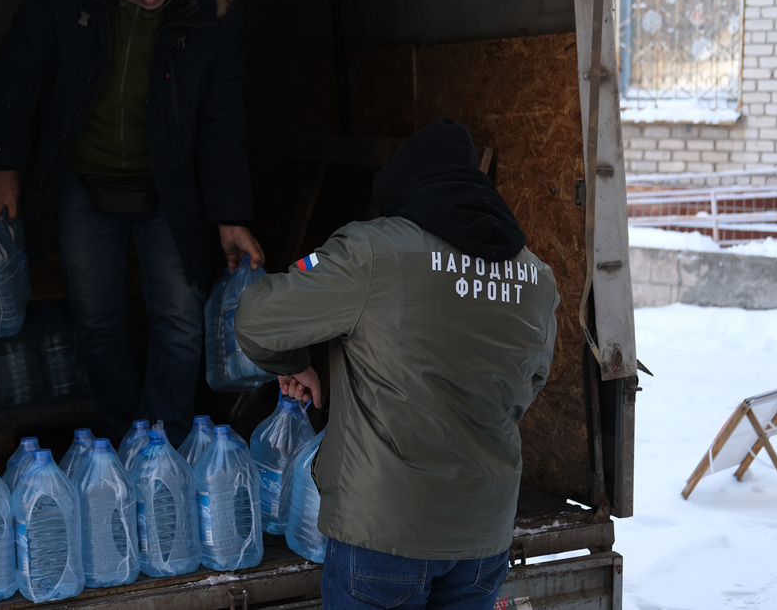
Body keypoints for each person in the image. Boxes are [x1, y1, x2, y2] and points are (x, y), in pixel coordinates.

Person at [234, 118, 559, 610]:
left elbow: (258, 318)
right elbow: (534, 377)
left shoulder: (373, 252)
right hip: (484, 535)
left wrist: (294, 361)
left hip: (384, 534)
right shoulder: (536, 277)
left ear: (404, 189)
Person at [0, 0, 263, 443]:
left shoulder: (214, 10)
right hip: (83, 180)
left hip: (171, 186)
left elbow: (222, 120)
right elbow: (17, 68)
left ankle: (162, 445)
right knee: (97, 323)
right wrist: (4, 163)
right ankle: (120, 440)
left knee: (181, 323)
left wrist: (231, 216)